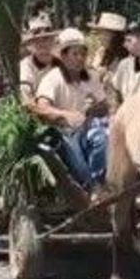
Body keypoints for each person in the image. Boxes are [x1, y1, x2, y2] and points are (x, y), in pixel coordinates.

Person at [30, 27, 110, 192]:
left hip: (86, 129)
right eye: (75, 54)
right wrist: (65, 115)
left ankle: (99, 183)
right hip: (63, 132)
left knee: (101, 137)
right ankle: (91, 189)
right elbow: (41, 108)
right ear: (63, 56)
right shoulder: (52, 79)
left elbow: (104, 106)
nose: (80, 58)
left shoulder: (91, 77)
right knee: (74, 155)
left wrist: (92, 110)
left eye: (83, 54)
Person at [19, 17, 58, 104]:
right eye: (37, 41)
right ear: (31, 45)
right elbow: (27, 101)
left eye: (46, 39)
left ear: (52, 41)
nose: (43, 44)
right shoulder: (25, 68)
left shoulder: (60, 64)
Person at [87, 12, 128, 86]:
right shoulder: (102, 51)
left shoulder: (126, 58)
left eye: (104, 33)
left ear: (115, 36)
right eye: (100, 32)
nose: (100, 37)